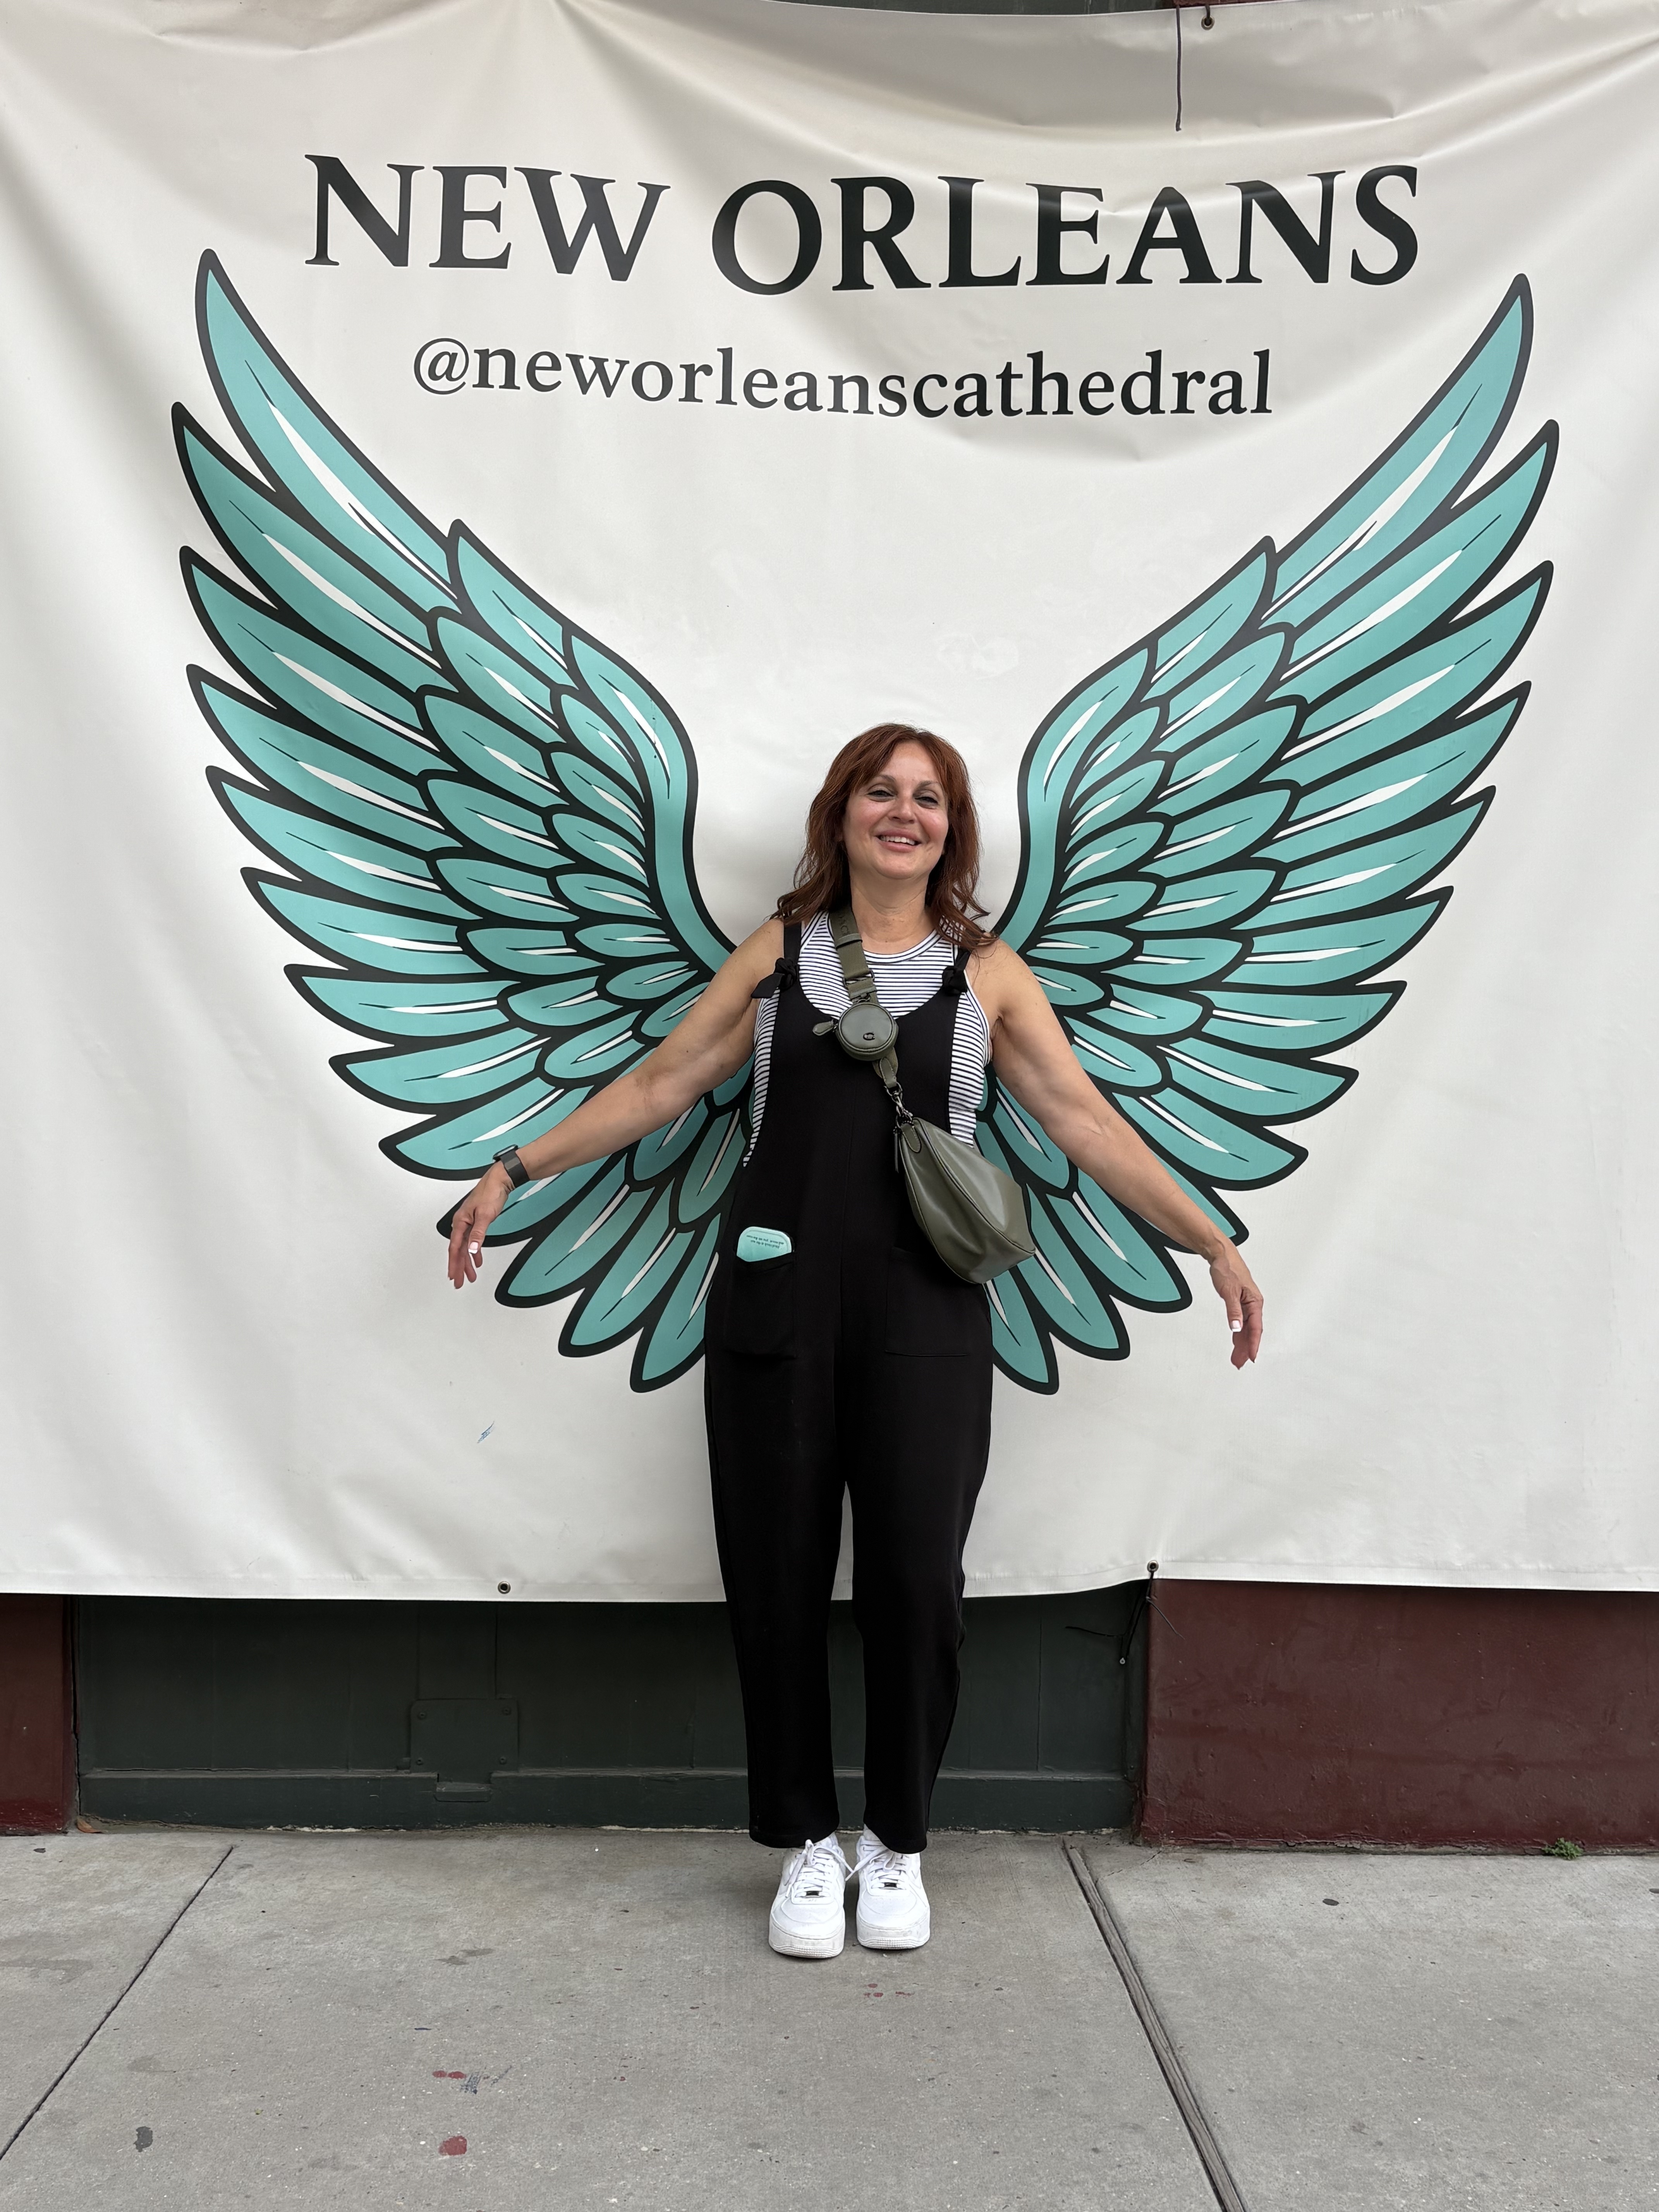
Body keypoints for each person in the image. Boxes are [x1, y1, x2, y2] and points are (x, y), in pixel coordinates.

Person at [445, 723, 1263, 1959]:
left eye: (928, 798)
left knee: (915, 1585)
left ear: (952, 830)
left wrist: (1209, 1242)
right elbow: (664, 1084)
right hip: (775, 1306)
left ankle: (895, 1843)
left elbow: (1082, 1120)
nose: (903, 813)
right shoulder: (777, 956)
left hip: (925, 1312)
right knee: (774, 1580)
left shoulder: (986, 974)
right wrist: (515, 1167)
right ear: (840, 813)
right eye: (880, 791)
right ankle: (804, 1847)